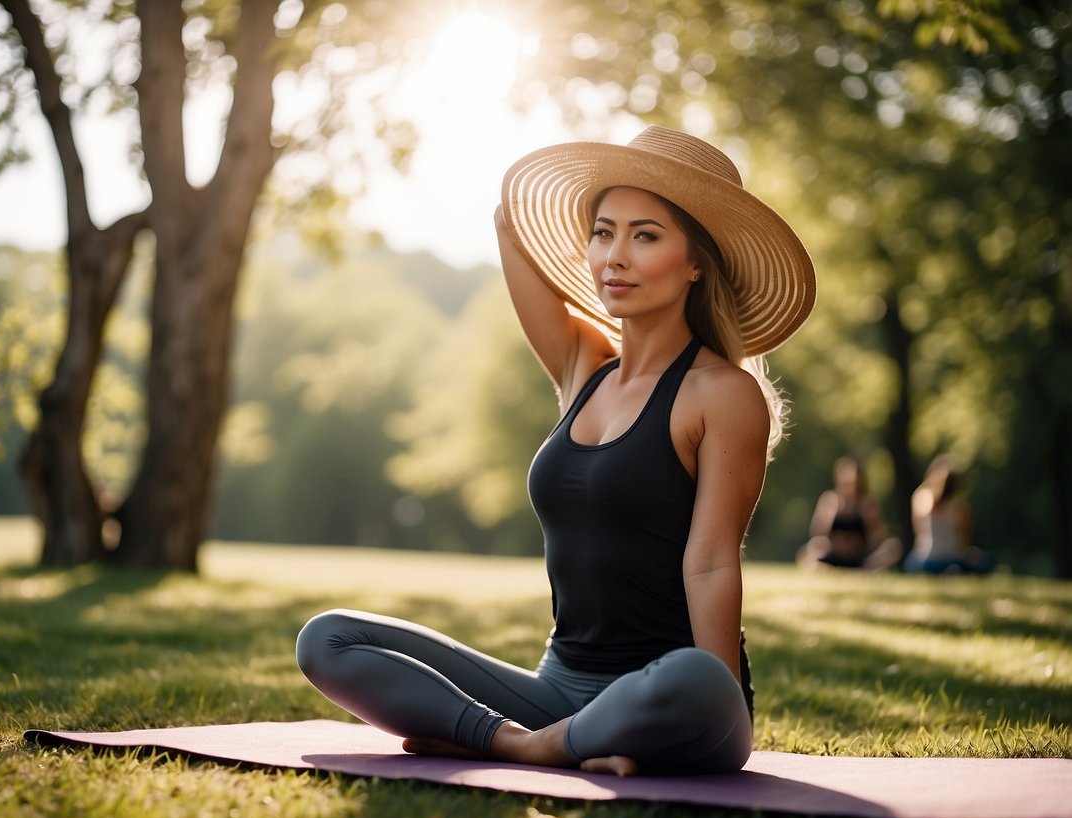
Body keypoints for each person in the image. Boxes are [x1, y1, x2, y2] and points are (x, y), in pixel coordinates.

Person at [295, 126, 815, 776]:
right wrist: (576, 174)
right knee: (328, 638)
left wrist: (717, 710)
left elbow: (710, 562)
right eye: (603, 232)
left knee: (696, 678)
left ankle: (527, 741)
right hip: (556, 691)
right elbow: (509, 220)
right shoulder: (583, 368)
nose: (613, 257)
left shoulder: (722, 393)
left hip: (668, 689)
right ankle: (528, 742)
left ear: (696, 262)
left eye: (645, 235)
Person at [797, 456, 902, 571]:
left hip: (860, 557)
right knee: (812, 548)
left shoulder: (867, 503)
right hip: (833, 555)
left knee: (893, 546)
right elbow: (817, 533)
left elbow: (877, 537)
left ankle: (868, 568)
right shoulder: (830, 500)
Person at [903, 456, 994, 574]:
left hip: (927, 560)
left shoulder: (922, 500)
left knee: (910, 562)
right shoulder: (960, 508)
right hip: (952, 558)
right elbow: (964, 541)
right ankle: (952, 569)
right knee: (986, 559)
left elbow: (918, 533)